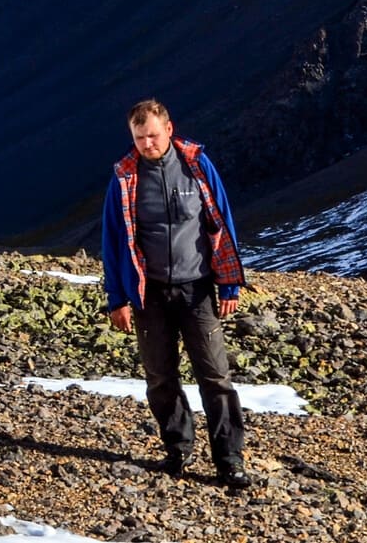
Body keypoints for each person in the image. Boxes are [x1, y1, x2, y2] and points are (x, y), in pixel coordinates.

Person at [101, 98, 251, 490]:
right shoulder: (124, 178)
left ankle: (229, 459)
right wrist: (117, 298)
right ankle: (178, 449)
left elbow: (221, 221)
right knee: (160, 377)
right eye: (139, 138)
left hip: (197, 289)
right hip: (149, 292)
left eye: (152, 135)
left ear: (169, 129)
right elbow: (112, 240)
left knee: (215, 376)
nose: (147, 144)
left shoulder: (197, 166)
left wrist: (229, 283)